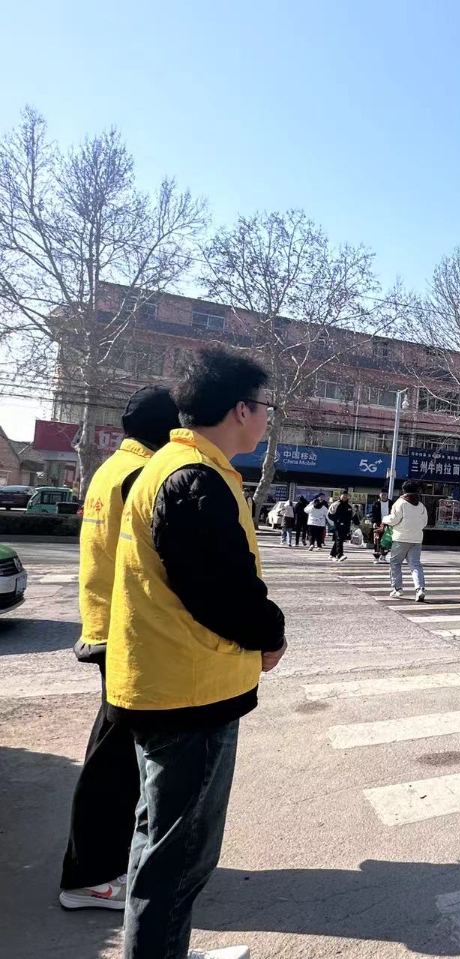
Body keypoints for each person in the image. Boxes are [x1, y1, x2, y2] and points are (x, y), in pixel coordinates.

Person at [106, 348, 285, 959]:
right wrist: (271, 634)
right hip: (189, 693)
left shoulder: (178, 467)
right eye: (265, 407)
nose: (267, 419)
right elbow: (222, 589)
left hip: (168, 682)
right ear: (240, 410)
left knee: (157, 840)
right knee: (179, 858)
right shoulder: (193, 478)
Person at [58, 386, 181, 913]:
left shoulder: (112, 468)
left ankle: (100, 865)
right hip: (127, 633)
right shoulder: (143, 476)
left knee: (112, 753)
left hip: (106, 626)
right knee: (115, 763)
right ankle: (89, 875)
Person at [382, 480, 429, 601]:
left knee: (395, 563)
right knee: (415, 565)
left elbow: (394, 519)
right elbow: (424, 522)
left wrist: (384, 519)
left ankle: (398, 589)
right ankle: (420, 589)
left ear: (403, 491)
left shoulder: (400, 503)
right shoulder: (421, 506)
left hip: (401, 538)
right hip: (417, 539)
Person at [329, 492, 353, 562]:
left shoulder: (350, 506)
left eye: (346, 496)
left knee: (340, 540)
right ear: (340, 496)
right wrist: (336, 520)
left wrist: (357, 522)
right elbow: (330, 514)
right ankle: (340, 555)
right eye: (343, 496)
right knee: (339, 538)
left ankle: (332, 554)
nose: (345, 497)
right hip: (337, 525)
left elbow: (353, 515)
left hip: (346, 525)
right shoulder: (335, 504)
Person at [370, 491, 390, 563]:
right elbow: (373, 514)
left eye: (385, 495)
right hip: (378, 524)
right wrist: (374, 522)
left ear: (387, 495)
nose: (383, 496)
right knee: (377, 540)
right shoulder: (376, 503)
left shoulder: (391, 503)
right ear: (380, 495)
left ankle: (383, 556)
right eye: (382, 495)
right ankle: (376, 557)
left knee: (386, 541)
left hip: (388, 524)